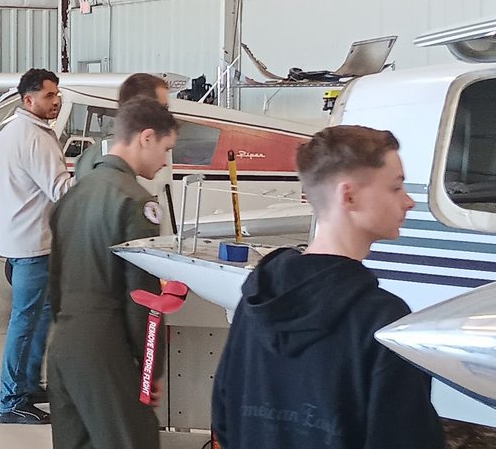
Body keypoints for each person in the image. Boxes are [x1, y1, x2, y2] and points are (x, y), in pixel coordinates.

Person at [211, 125, 445, 449]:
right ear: (348, 196)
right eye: (395, 187)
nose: (408, 202)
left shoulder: (255, 302)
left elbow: (225, 420)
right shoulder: (381, 321)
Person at [47, 96, 177, 449]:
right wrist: (151, 372)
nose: (165, 162)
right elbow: (144, 301)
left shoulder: (72, 196)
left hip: (63, 343)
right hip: (107, 345)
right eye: (166, 149)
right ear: (146, 137)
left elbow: (54, 281)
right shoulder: (136, 202)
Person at [0, 68, 73, 424]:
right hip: (33, 246)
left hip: (20, 241)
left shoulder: (12, 131)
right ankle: (10, 401)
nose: (56, 102)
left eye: (57, 95)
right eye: (49, 96)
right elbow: (61, 191)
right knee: (24, 322)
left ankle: (26, 384)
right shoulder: (35, 138)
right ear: (29, 99)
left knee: (38, 316)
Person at [74, 72, 175, 235]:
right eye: (163, 108)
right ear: (143, 107)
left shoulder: (87, 157)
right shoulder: (102, 159)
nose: (167, 116)